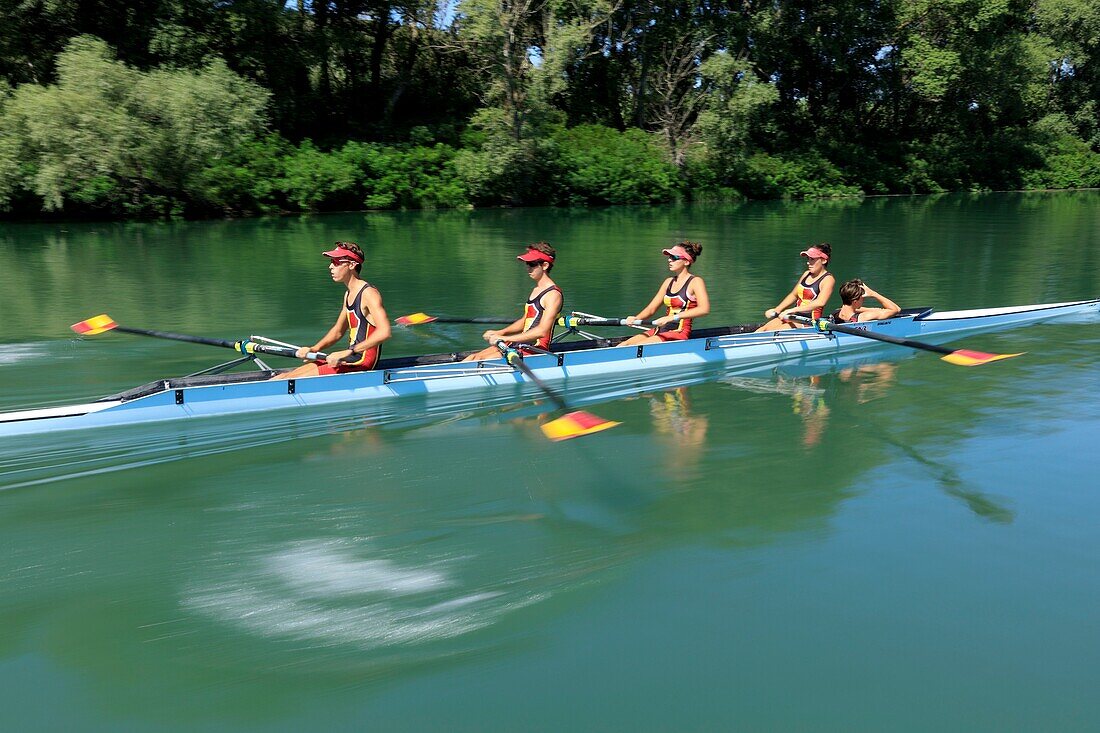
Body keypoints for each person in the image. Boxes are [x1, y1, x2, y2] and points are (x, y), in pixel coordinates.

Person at [273, 241, 391, 380]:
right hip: (348, 358)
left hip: (361, 363)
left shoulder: (369, 293)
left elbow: (385, 332)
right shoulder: (348, 294)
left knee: (290, 380)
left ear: (352, 265)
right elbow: (338, 331)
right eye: (331, 261)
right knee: (283, 377)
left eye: (336, 262)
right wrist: (314, 349)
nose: (330, 266)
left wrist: (348, 351)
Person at [463, 242, 563, 362]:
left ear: (545, 265)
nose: (528, 267)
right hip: (520, 344)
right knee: (473, 357)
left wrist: (504, 338)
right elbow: (525, 320)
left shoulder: (553, 295)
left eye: (532, 264)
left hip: (535, 349)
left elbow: (542, 331)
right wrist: (501, 332)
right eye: (527, 263)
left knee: (481, 360)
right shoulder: (536, 290)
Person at [617, 241, 710, 347]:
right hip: (661, 329)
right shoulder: (668, 282)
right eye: (669, 256)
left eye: (674, 257)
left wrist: (672, 318)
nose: (669, 260)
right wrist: (635, 318)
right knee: (623, 345)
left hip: (679, 332)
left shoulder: (696, 281)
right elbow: (651, 309)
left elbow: (704, 309)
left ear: (687, 262)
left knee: (635, 347)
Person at [756, 243, 835, 331]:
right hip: (794, 316)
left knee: (774, 332)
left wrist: (792, 310)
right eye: (808, 259)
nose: (808, 262)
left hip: (810, 322)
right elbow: (794, 295)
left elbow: (820, 302)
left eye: (812, 259)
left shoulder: (828, 279)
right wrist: (777, 309)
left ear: (824, 260)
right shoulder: (806, 274)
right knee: (761, 330)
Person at [830, 279, 901, 323]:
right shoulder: (864, 317)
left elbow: (861, 309)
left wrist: (875, 310)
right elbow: (896, 309)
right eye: (862, 297)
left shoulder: (836, 312)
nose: (864, 299)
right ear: (855, 301)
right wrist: (874, 294)